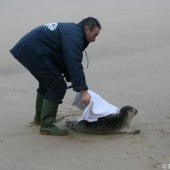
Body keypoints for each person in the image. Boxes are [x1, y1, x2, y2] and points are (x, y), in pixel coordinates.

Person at [10, 17, 101, 136]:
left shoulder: (75, 32)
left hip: (30, 47)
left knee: (47, 83)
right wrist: (83, 90)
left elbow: (64, 58)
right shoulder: (74, 36)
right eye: (95, 35)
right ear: (87, 29)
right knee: (57, 86)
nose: (95, 39)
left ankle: (39, 119)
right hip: (33, 49)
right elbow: (74, 62)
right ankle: (47, 125)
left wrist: (73, 79)